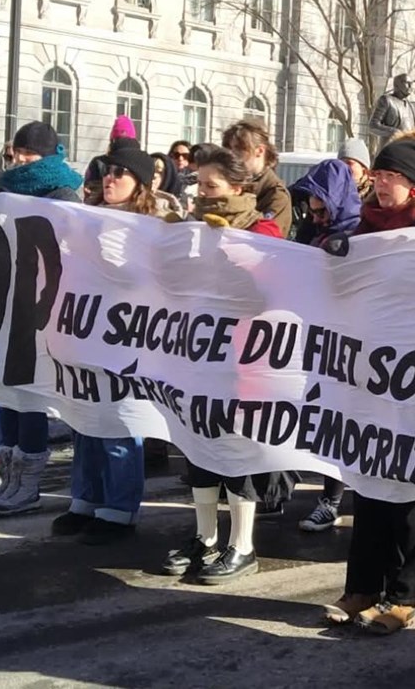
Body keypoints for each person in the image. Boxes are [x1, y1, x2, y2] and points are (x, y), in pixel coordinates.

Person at [322, 128, 415, 636]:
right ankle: (363, 586)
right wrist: (329, 254)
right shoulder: (363, 227)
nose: (381, 183)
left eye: (393, 176)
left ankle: (406, 593)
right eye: (379, 173)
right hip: (369, 371)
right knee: (369, 474)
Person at [160, 145, 282, 585]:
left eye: (212, 186)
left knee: (236, 451)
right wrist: (169, 243)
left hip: (242, 361)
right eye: (199, 185)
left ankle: (243, 545)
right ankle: (205, 537)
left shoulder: (261, 228)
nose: (203, 194)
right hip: (197, 356)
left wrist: (232, 248)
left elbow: (270, 291)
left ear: (237, 187)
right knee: (200, 448)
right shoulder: (193, 229)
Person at [52, 147, 164, 543]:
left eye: (121, 173)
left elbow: (151, 281)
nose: (110, 178)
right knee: (84, 420)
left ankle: (119, 509)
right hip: (85, 332)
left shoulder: (151, 228)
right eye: (107, 171)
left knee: (119, 423)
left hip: (125, 339)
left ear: (141, 183)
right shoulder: (88, 218)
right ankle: (85, 500)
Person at [0, 122, 83, 517]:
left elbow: (67, 253)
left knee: (30, 394)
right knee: (6, 389)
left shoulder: (63, 193)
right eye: (17, 152)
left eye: (30, 155)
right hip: (5, 300)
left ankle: (29, 484)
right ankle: (8, 478)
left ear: (48, 156)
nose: (21, 160)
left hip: (41, 307)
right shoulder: (4, 190)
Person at [287, 158, 364, 532]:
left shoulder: (360, 232)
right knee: (318, 418)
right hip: (313, 335)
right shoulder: (309, 230)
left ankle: (331, 499)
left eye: (321, 211)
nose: (315, 217)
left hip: (347, 342)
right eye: (312, 211)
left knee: (338, 421)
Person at [221, 120, 293, 235]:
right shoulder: (231, 185)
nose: (232, 155)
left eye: (239, 149)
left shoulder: (276, 194)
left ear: (259, 151)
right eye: (229, 149)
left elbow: (266, 240)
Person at [368, 73, 415, 143]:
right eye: (407, 83)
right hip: (391, 149)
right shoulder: (387, 100)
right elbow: (373, 125)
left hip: (406, 149)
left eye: (411, 83)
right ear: (397, 85)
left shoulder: (410, 106)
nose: (410, 86)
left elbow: (413, 130)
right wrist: (395, 132)